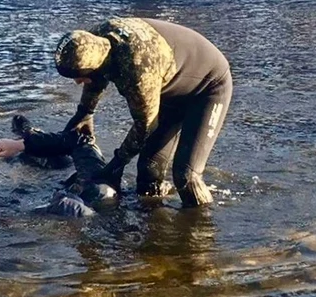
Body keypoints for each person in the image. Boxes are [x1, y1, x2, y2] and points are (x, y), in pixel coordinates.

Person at [53, 17, 231, 207]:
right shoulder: (90, 39)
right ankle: (155, 224)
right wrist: (85, 112)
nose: (77, 82)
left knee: (186, 176)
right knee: (148, 173)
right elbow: (96, 74)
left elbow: (145, 126)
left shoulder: (137, 69)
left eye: (79, 77)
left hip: (208, 86)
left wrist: (116, 165)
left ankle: (201, 229)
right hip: (167, 88)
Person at [0, 114, 118, 218]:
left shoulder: (74, 204)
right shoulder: (95, 182)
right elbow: (79, 141)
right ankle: (31, 135)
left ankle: (31, 136)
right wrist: (22, 144)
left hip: (63, 181)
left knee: (27, 157)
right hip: (73, 173)